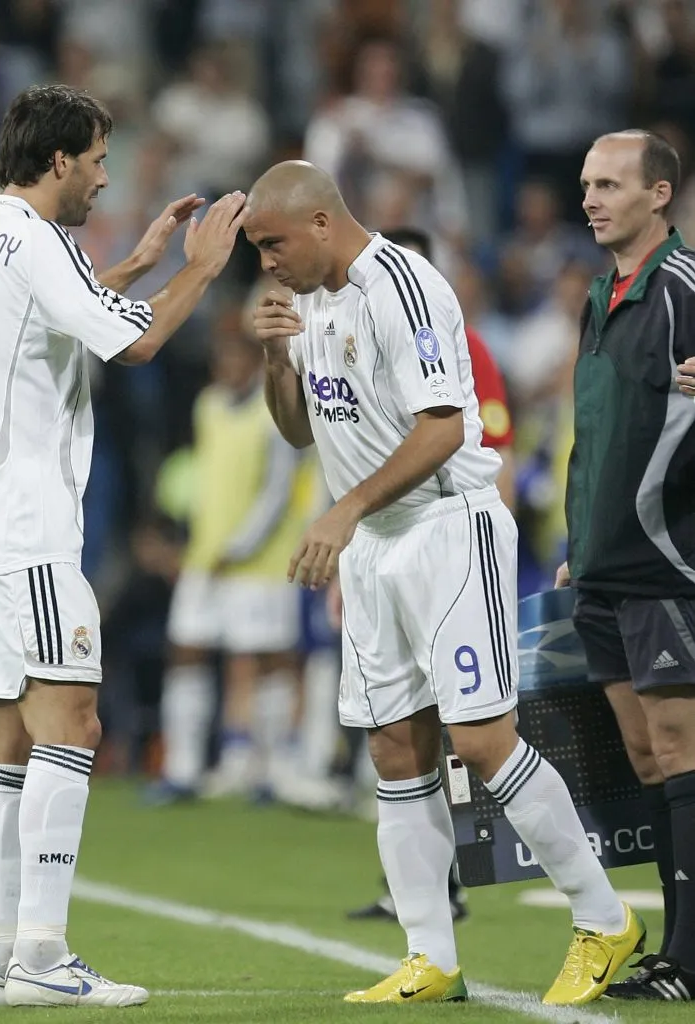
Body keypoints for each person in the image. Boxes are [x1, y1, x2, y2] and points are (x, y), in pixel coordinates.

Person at [246, 160, 643, 1006]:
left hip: (444, 527)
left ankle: (605, 920)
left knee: (481, 740)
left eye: (272, 244)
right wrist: (277, 362)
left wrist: (344, 510)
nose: (267, 263)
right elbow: (296, 432)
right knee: (395, 748)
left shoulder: (405, 283)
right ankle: (431, 957)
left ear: (320, 223)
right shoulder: (309, 303)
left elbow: (442, 429)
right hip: (374, 544)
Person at [0, 84, 246, 1009]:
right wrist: (200, 268)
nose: (105, 176)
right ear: (58, 160)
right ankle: (46, 955)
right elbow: (131, 348)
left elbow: (42, 326)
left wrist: (139, 259)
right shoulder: (37, 238)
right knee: (74, 726)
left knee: (5, 742)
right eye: (98, 159)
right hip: (24, 524)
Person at [555, 129, 695, 1001]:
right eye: (584, 185)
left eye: (610, 184)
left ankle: (685, 961)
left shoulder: (684, 289)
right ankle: (678, 948)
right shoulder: (601, 293)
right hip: (602, 564)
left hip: (668, 563)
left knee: (681, 749)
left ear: (660, 196)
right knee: (648, 759)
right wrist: (579, 544)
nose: (592, 198)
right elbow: (596, 430)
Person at [344, 224, 516, 925]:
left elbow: (493, 440)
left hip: (454, 540)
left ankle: (457, 875)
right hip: (387, 546)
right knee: (409, 731)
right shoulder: (355, 328)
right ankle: (432, 884)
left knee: (466, 730)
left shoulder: (464, 346)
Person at [151, 317, 311, 804]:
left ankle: (272, 770)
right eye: (220, 361)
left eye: (235, 360)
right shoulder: (209, 406)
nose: (226, 368)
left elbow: (278, 493)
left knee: (269, 661)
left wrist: (239, 548)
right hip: (205, 559)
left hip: (259, 564)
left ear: (254, 363)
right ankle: (182, 769)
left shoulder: (274, 414)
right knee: (186, 651)